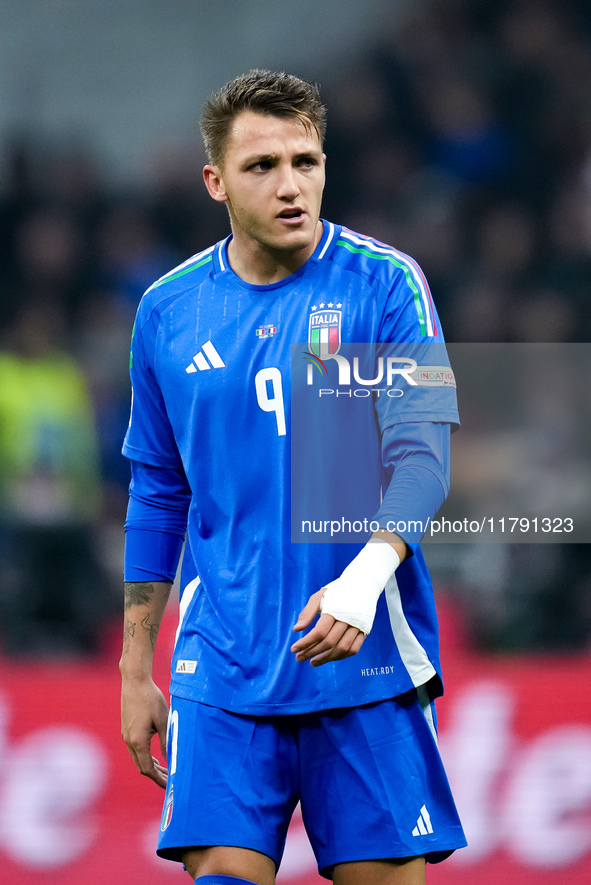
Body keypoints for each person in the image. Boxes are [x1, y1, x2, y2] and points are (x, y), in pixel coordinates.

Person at [120, 69, 466, 885]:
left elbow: (422, 455)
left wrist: (363, 574)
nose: (290, 186)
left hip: (363, 658)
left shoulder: (385, 282)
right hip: (223, 668)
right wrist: (136, 667)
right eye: (262, 166)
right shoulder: (168, 312)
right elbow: (157, 490)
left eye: (305, 162)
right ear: (215, 182)